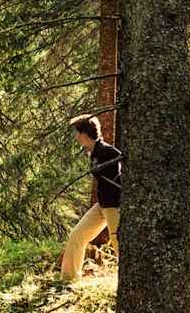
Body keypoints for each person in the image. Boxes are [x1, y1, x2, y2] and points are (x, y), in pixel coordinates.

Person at [60, 115, 122, 282]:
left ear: (85, 134)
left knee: (118, 242)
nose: (76, 137)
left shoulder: (107, 150)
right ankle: (69, 279)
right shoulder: (94, 152)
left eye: (77, 133)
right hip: (102, 205)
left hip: (114, 205)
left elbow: (121, 162)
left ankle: (131, 280)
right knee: (77, 236)